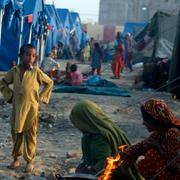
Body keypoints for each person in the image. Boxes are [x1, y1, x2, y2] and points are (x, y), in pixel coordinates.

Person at [0, 44, 53, 173]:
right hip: (17, 109)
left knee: (30, 136)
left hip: (32, 110)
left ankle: (29, 161)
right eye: (28, 54)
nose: (31, 58)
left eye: (33, 55)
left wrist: (42, 98)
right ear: (21, 56)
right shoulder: (14, 71)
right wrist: (9, 96)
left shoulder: (36, 72)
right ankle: (16, 159)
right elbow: (3, 83)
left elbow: (49, 82)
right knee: (17, 134)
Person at [70, 100, 143, 179]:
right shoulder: (100, 130)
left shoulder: (100, 137)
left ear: (85, 120)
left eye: (77, 122)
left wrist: (85, 173)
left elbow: (102, 165)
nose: (76, 126)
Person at [120, 98, 180, 180]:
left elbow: (176, 166)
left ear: (153, 120)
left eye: (145, 120)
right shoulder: (159, 133)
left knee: (151, 155)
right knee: (143, 154)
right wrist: (123, 155)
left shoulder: (174, 133)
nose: (143, 123)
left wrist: (157, 147)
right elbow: (142, 145)